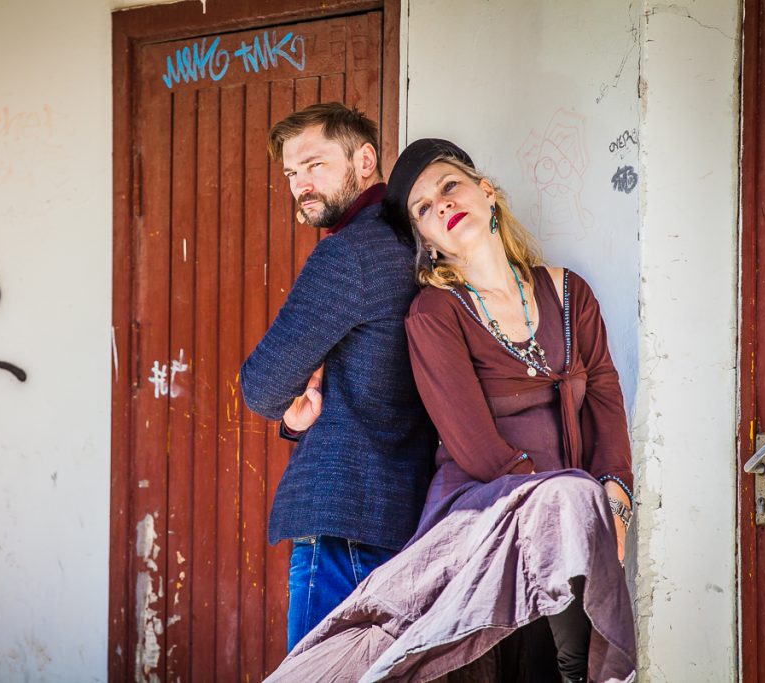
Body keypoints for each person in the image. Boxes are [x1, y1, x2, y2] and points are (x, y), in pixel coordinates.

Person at [266, 138, 637, 682]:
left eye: (450, 187)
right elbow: (475, 446)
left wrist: (616, 500)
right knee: (566, 506)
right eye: (423, 209)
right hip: (482, 507)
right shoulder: (435, 312)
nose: (441, 205)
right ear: (427, 241)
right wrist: (565, 513)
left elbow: (604, 396)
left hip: (568, 519)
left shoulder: (569, 293)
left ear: (487, 192)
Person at [239, 104, 437, 652]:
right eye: (291, 173)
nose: (300, 184)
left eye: (315, 165)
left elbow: (262, 385)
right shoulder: (414, 241)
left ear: (365, 160)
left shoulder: (349, 253)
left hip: (343, 519)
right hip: (406, 515)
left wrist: (290, 412)